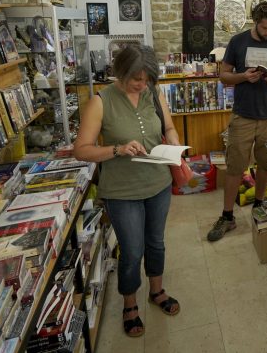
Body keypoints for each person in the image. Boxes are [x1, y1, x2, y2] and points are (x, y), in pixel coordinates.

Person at [73, 45, 181, 337]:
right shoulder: (100, 101)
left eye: (147, 79)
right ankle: (130, 304)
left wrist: (175, 147)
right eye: (136, 79)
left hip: (158, 183)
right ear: (120, 72)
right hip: (122, 190)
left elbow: (168, 128)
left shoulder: (153, 92)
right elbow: (81, 150)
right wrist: (117, 149)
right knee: (132, 251)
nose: (142, 85)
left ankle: (156, 291)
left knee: (156, 242)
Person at [207, 1, 267, 242]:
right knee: (235, 166)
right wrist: (243, 76)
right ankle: (227, 216)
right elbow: (223, 75)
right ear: (255, 22)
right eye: (265, 28)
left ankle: (259, 205)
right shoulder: (238, 41)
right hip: (243, 115)